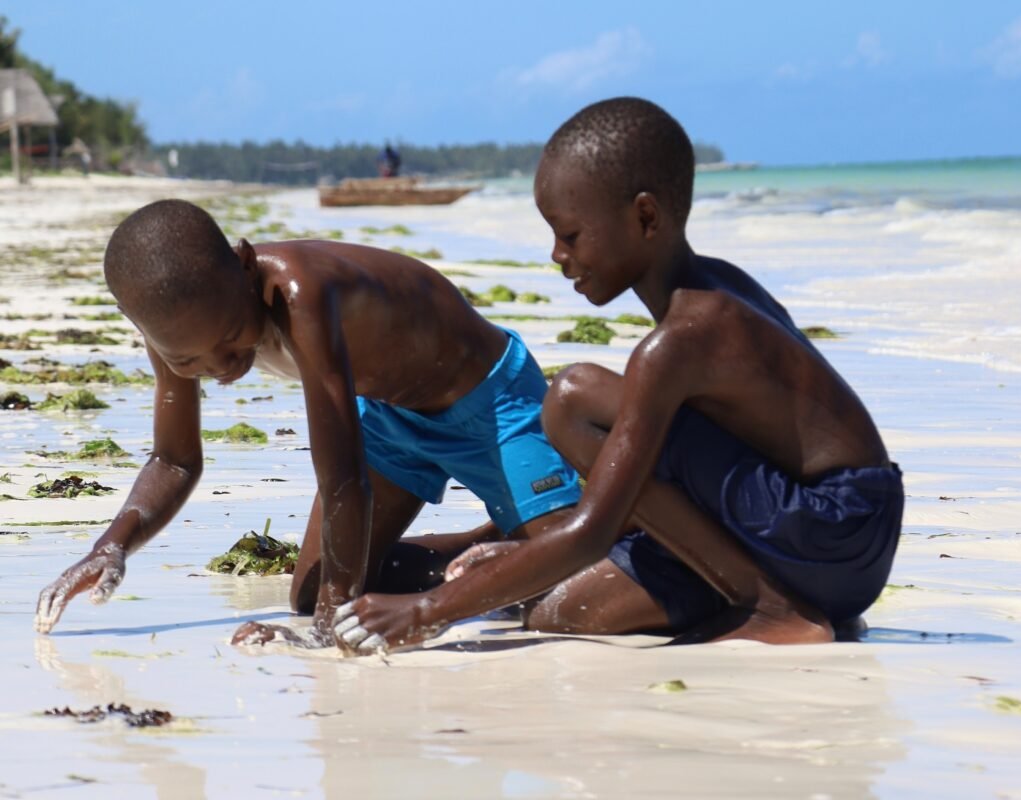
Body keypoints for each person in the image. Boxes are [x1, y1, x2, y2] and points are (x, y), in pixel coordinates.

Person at [330, 97, 904, 653]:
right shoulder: (715, 286)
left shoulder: (682, 338)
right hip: (851, 542)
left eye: (571, 235)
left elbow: (593, 528)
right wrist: (516, 556)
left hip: (833, 529)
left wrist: (425, 612)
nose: (557, 255)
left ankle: (770, 608)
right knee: (562, 613)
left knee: (572, 398)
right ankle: (733, 588)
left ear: (645, 217)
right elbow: (687, 467)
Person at [33, 199, 581, 645]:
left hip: (486, 399)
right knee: (311, 590)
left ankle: (530, 537)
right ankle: (489, 543)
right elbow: (175, 460)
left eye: (229, 337)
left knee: (563, 583)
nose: (219, 367)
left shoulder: (301, 294)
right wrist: (112, 546)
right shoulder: (176, 334)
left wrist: (327, 631)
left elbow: (343, 479)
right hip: (389, 417)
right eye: (189, 361)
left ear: (246, 266)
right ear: (151, 336)